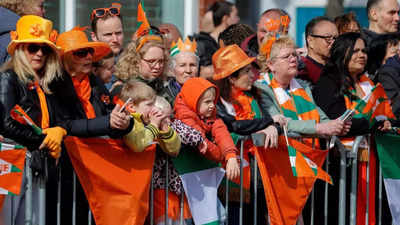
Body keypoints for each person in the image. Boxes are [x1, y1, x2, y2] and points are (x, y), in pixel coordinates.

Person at [51, 26, 132, 225]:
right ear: (65, 57)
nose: (88, 57)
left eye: (89, 52)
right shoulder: (55, 84)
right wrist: (107, 122)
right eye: (81, 52)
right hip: (68, 170)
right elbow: (65, 124)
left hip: (98, 168)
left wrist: (124, 123)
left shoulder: (94, 81)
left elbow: (109, 111)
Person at [314, 32, 394, 225]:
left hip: (372, 163)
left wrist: (386, 122)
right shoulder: (327, 82)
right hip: (341, 165)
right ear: (342, 53)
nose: (362, 55)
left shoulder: (368, 83)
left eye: (364, 50)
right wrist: (372, 124)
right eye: (355, 50)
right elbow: (338, 119)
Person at [0, 15, 64, 225]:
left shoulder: (44, 84)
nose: (39, 53)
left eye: (44, 49)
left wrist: (57, 132)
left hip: (34, 161)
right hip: (9, 160)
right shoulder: (8, 77)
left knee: (32, 221)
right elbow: (5, 123)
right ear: (20, 49)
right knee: (9, 219)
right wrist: (42, 140)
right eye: (32, 48)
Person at [213, 44, 285, 225]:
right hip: (230, 178)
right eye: (246, 71)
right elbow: (236, 127)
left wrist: (272, 127)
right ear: (231, 77)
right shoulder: (217, 103)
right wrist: (267, 123)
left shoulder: (253, 98)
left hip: (258, 175)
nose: (252, 75)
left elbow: (273, 123)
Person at [174, 77, 240, 179]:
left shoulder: (209, 113)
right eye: (207, 102)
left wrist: (230, 155)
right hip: (187, 175)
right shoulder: (184, 115)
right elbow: (201, 139)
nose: (212, 105)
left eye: (213, 101)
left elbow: (221, 132)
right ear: (193, 101)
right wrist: (222, 158)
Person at [114, 28, 171, 102]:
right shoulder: (123, 89)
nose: (157, 66)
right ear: (136, 60)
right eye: (151, 61)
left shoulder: (163, 87)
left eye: (161, 61)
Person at [0, 0, 46, 64]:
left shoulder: (5, 33)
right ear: (22, 7)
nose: (44, 11)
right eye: (41, 6)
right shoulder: (16, 41)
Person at [297, 16, 338, 84]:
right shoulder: (302, 71)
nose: (333, 42)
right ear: (310, 41)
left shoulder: (338, 68)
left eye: (336, 38)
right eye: (328, 38)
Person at [165, 37, 199, 105]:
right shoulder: (165, 95)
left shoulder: (206, 92)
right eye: (182, 65)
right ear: (172, 70)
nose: (188, 70)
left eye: (192, 65)